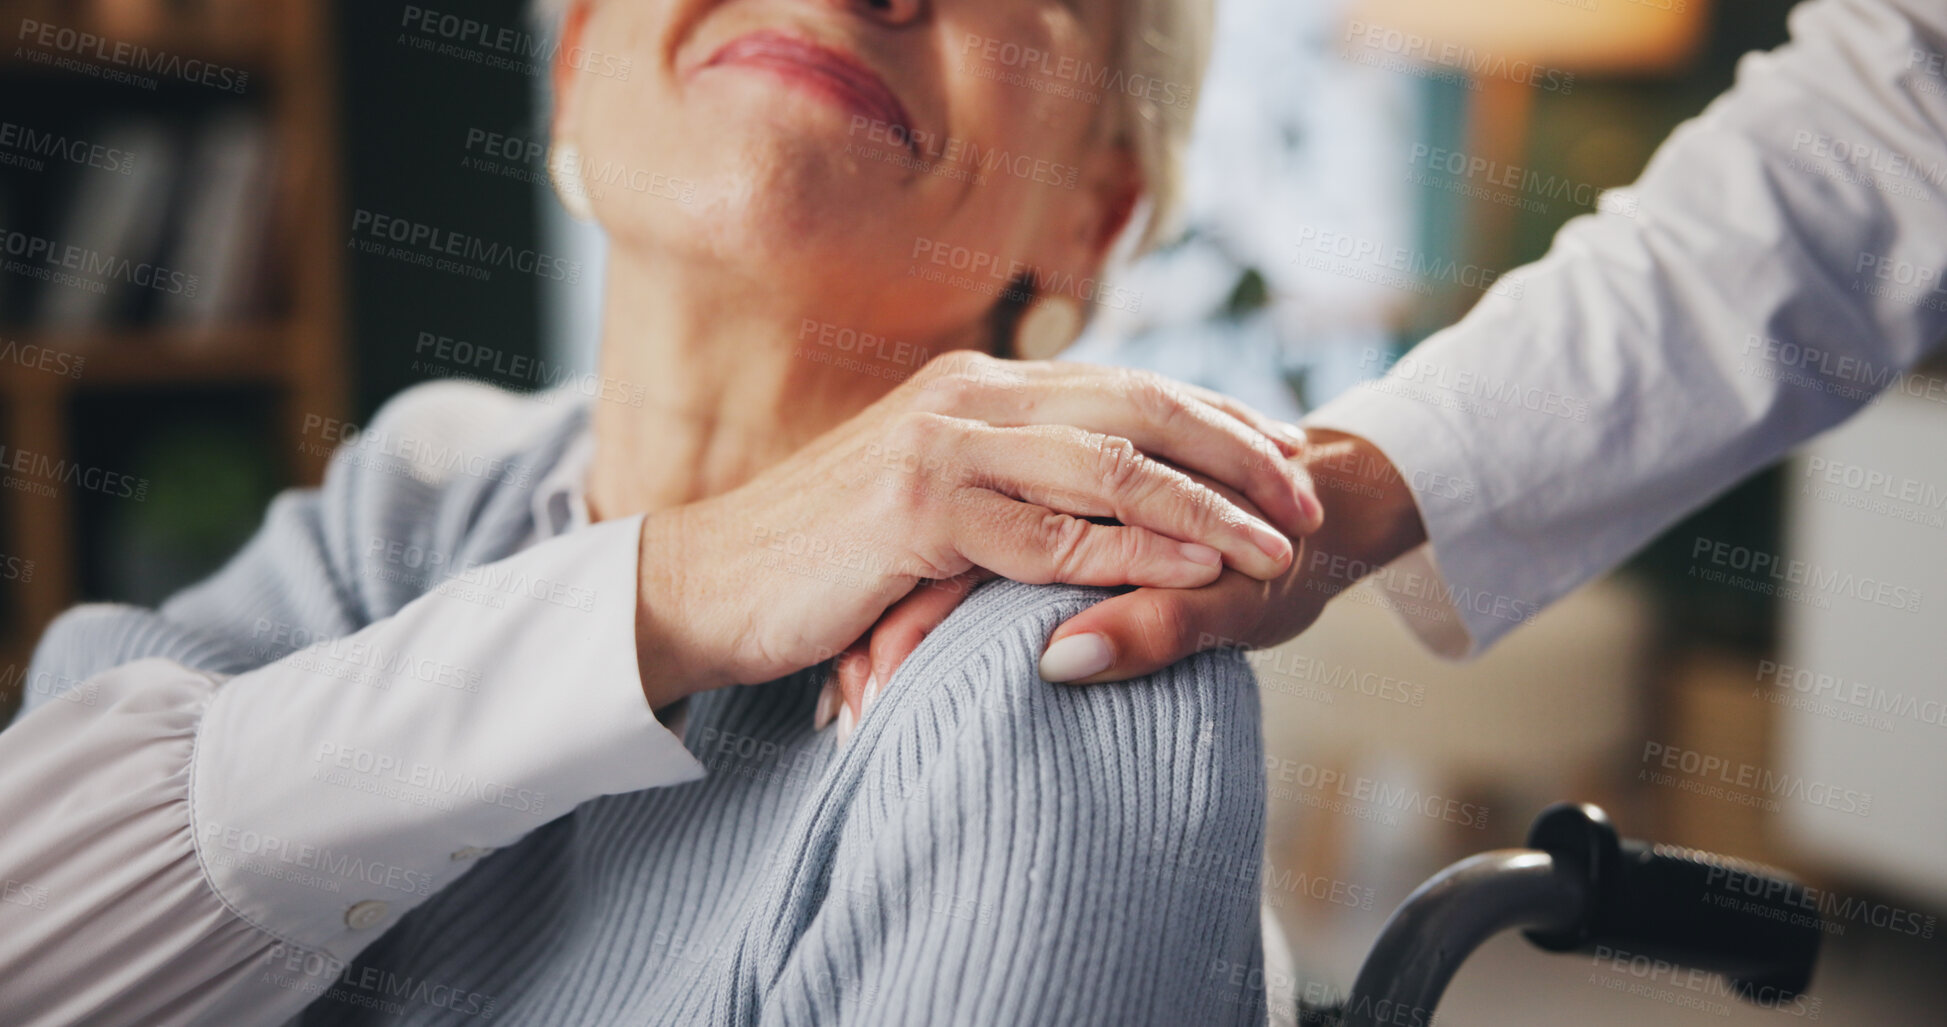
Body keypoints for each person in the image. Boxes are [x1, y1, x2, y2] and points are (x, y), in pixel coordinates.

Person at [0, 0, 1312, 1023]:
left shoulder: (1068, 644)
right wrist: (667, 588)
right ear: (577, 64)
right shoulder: (420, 484)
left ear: (1092, 216)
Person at [828, 0, 1947, 721]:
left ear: (1104, 215)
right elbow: (1882, 129)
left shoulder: (1067, 642)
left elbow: (1889, 134)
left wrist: (1324, 488)